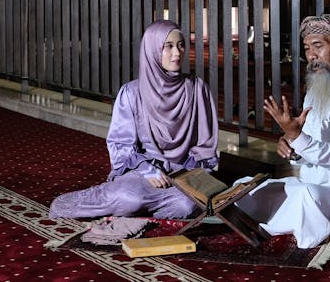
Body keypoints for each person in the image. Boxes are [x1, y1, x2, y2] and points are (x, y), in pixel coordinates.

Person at [234, 14, 330, 249]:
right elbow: (310, 147)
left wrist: (297, 138)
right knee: (244, 187)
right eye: (307, 48)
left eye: (318, 46)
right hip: (317, 186)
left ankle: (292, 224)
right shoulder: (318, 87)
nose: (311, 55)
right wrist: (292, 147)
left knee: (305, 196)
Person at [49, 19, 219, 220]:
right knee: (130, 199)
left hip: (182, 173)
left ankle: (142, 214)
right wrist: (149, 170)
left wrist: (191, 175)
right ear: (152, 49)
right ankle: (130, 204)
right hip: (143, 170)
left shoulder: (197, 89)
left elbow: (205, 145)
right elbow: (121, 144)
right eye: (169, 46)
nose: (177, 53)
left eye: (181, 45)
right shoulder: (132, 92)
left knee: (187, 206)